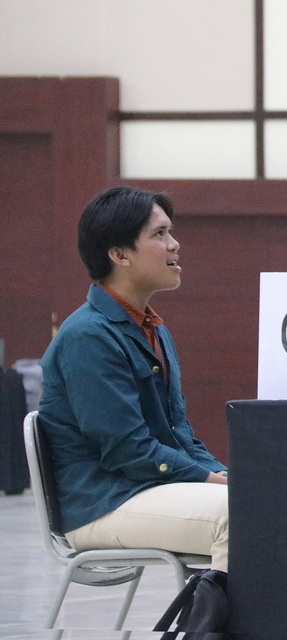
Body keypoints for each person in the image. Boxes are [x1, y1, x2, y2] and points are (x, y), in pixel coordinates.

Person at [37, 185, 229, 572]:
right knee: (242, 513)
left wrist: (222, 473)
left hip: (144, 489)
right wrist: (212, 481)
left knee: (265, 501)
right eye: (159, 234)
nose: (174, 244)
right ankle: (212, 614)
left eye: (170, 232)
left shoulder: (154, 330)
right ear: (120, 254)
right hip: (102, 502)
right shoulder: (88, 337)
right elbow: (128, 451)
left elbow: (179, 434)